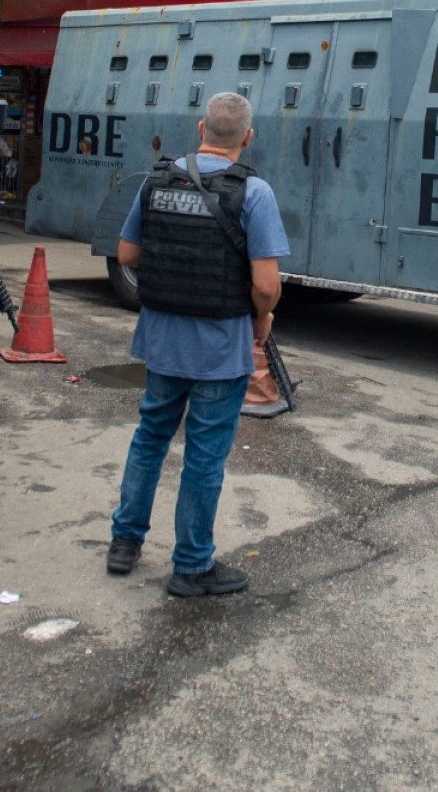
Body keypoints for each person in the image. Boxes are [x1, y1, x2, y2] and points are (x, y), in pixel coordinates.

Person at [104, 92, 287, 597]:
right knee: (204, 457)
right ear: (248, 137)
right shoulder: (254, 193)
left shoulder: (159, 179)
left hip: (162, 339)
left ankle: (124, 543)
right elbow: (266, 285)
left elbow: (126, 254)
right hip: (219, 348)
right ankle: (190, 566)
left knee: (149, 439)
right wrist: (263, 319)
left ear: (200, 126)